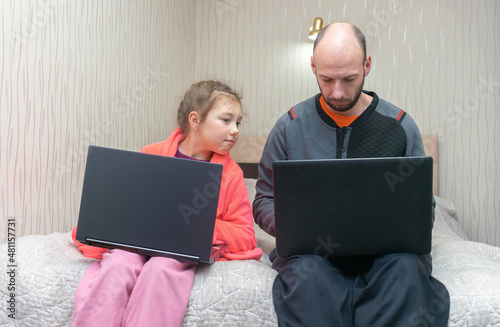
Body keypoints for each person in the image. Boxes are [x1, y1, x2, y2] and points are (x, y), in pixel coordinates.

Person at [252, 22, 450, 326]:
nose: (337, 92)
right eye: (326, 79)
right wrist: (294, 227)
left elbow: (424, 207)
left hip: (389, 256)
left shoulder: (399, 125)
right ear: (313, 66)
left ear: (367, 65)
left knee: (407, 272)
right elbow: (263, 197)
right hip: (314, 255)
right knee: (309, 282)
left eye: (349, 79)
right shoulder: (290, 127)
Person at [71, 80, 262, 327]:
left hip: (180, 250)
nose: (235, 129)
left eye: (238, 122)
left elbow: (246, 235)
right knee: (119, 263)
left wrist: (200, 226)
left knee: (161, 269)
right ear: (195, 120)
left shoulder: (232, 174)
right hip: (139, 242)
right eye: (226, 120)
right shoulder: (151, 153)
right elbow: (127, 206)